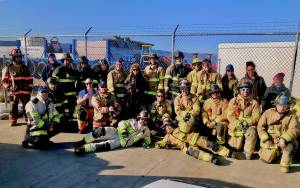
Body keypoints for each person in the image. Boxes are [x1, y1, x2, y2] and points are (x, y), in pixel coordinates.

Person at [155, 115, 234, 164]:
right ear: (164, 129)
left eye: (169, 125)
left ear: (172, 125)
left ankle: (228, 153)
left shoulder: (180, 126)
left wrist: (190, 120)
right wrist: (158, 144)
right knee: (197, 154)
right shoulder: (167, 137)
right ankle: (212, 159)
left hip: (195, 139)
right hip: (187, 147)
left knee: (211, 144)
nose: (168, 127)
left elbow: (188, 124)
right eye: (166, 127)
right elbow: (162, 142)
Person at [74, 109, 151, 156]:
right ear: (139, 118)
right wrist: (124, 131)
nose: (144, 121)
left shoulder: (146, 130)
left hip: (119, 143)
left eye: (146, 119)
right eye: (142, 119)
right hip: (116, 132)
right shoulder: (132, 121)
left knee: (103, 146)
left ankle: (83, 149)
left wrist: (145, 142)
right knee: (100, 131)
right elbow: (121, 123)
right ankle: (83, 141)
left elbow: (148, 140)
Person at [258, 94, 300, 173]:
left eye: (285, 105)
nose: (282, 108)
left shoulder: (292, 116)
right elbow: (260, 127)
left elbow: (295, 129)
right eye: (280, 105)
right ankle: (277, 155)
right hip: (271, 140)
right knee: (267, 160)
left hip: (285, 142)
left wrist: (284, 139)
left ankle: (285, 164)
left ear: (288, 106)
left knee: (289, 148)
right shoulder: (268, 113)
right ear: (276, 104)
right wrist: (265, 138)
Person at [227, 78, 260, 160]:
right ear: (239, 90)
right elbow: (229, 115)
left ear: (250, 90)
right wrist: (237, 123)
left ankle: (248, 154)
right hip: (236, 125)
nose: (245, 91)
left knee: (252, 132)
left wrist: (246, 122)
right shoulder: (233, 101)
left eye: (247, 89)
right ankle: (236, 148)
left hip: (248, 126)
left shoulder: (254, 103)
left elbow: (257, 117)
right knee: (236, 148)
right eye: (243, 89)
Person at [1, 49, 33, 126]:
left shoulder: (25, 67)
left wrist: (30, 87)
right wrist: (8, 87)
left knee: (28, 106)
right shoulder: (9, 68)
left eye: (19, 56)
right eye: (16, 57)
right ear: (13, 57)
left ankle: (28, 119)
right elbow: (4, 81)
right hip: (14, 92)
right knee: (13, 106)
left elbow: (30, 79)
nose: (18, 58)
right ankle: (13, 119)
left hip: (25, 91)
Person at [52, 53, 79, 121]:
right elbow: (53, 81)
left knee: (71, 109)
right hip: (62, 94)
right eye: (66, 60)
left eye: (68, 60)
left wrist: (73, 77)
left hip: (71, 95)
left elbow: (78, 77)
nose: (67, 61)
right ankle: (63, 121)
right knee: (62, 109)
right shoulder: (59, 69)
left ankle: (69, 120)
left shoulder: (72, 70)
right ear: (63, 61)